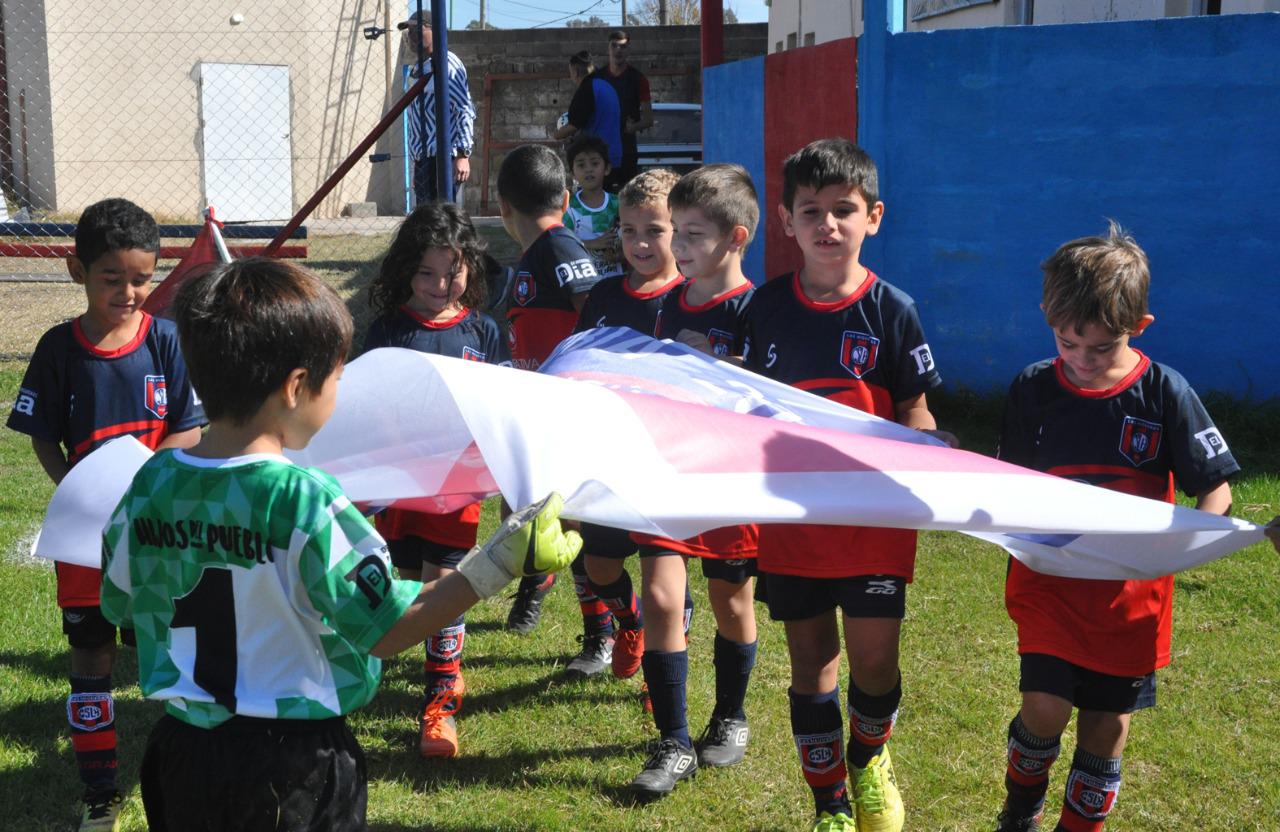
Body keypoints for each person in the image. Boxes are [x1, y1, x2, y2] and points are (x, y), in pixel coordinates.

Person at [98, 256, 581, 831]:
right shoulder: (304, 499)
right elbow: (388, 628)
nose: (341, 389)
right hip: (293, 765)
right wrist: (499, 561)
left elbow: (119, 604)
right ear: (296, 387)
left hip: (182, 756)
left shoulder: (152, 482)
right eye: (337, 376)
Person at [991, 223, 1239, 832]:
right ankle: (1020, 811)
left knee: (1106, 728)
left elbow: (1217, 490)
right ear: (1049, 318)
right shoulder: (1032, 389)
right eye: (1066, 342)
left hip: (1130, 603)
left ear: (1139, 327)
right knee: (1045, 709)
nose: (1080, 360)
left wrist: (1192, 544)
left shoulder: (1165, 393)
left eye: (1100, 348)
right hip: (1049, 588)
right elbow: (1003, 483)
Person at [742, 138, 948, 832]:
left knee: (876, 662)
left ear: (873, 217)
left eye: (843, 210)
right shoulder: (764, 309)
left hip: (872, 522)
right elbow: (738, 408)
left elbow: (916, 407)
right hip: (793, 521)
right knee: (811, 663)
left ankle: (867, 756)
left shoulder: (893, 309)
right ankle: (829, 802)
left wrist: (927, 441)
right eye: (811, 211)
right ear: (786, 221)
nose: (827, 224)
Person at [5, 197, 206, 832]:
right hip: (87, 537)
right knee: (91, 655)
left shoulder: (167, 340)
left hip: (157, 533)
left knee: (170, 649)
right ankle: (99, 791)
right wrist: (78, 488)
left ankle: (192, 776)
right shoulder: (58, 348)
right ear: (78, 271)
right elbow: (42, 435)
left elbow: (189, 427)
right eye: (112, 278)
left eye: (141, 279)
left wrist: (147, 484)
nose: (128, 292)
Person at [612, 164, 763, 800]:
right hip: (669, 471)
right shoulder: (671, 301)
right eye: (677, 231)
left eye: (692, 234)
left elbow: (773, 393)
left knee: (732, 604)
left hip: (729, 480)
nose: (678, 245)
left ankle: (730, 713)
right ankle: (673, 742)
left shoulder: (759, 307)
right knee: (661, 598)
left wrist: (720, 363)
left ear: (736, 238)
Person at [362, 202, 510, 759]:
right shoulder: (388, 330)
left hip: (455, 484)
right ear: (406, 270)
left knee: (443, 587)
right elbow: (365, 402)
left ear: (471, 267)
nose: (440, 285)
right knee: (406, 584)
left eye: (453, 272)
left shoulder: (484, 331)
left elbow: (500, 407)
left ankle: (440, 704)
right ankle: (388, 662)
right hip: (398, 483)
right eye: (426, 272)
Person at [497, 144, 616, 675]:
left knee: (568, 521)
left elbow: (593, 310)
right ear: (566, 199)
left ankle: (601, 636)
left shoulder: (559, 244)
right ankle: (539, 583)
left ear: (503, 207)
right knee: (528, 512)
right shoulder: (534, 254)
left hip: (564, 410)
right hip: (534, 408)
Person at [399, 8, 476, 206]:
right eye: (409, 32)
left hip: (442, 158)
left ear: (435, 30)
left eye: (418, 30)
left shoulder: (447, 64)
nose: (412, 36)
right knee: (427, 216)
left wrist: (463, 155)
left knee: (441, 215)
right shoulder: (420, 67)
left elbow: (464, 110)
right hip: (423, 159)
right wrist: (417, 166)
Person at [594, 29, 654, 190]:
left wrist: (632, 127)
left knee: (627, 197)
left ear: (628, 50)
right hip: (601, 151)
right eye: (614, 46)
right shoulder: (597, 79)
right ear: (608, 49)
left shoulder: (639, 79)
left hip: (626, 151)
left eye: (623, 46)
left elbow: (649, 119)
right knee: (602, 197)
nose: (618, 50)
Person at [562, 135, 625, 281]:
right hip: (584, 283)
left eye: (595, 163)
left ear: (607, 168)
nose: (588, 170)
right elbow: (563, 244)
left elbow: (631, 237)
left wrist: (621, 255)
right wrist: (592, 244)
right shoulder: (569, 207)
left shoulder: (618, 204)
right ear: (573, 173)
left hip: (615, 280)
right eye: (581, 165)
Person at [553, 51, 623, 174]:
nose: (571, 77)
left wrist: (556, 135)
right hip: (615, 155)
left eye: (570, 72)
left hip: (597, 160)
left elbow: (574, 125)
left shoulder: (587, 89)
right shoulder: (606, 85)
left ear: (576, 72)